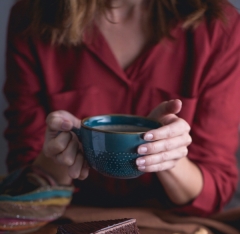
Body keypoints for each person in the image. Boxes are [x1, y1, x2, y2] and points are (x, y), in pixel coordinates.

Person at [3, 0, 240, 217]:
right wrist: (59, 153)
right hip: (67, 220)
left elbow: (215, 190)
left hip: (172, 222)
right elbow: (25, 180)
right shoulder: (33, 17)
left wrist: (167, 155)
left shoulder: (220, 26)